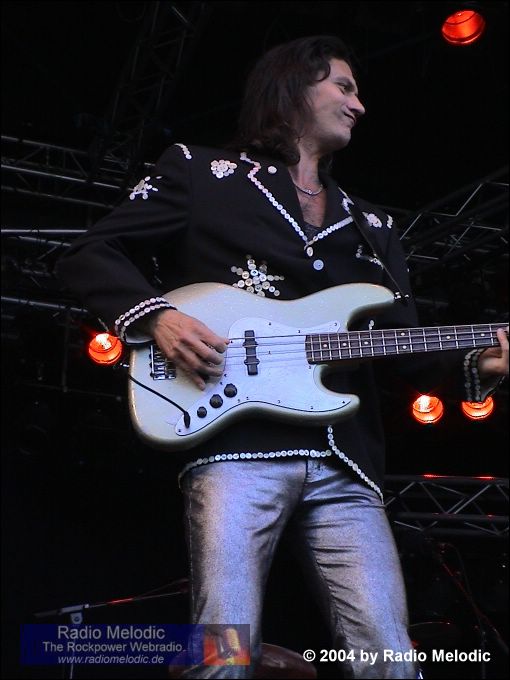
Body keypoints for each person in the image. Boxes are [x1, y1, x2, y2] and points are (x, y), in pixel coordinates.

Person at [56, 35, 508, 679]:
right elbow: (90, 254)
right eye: (344, 87)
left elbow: (402, 349)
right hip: (236, 450)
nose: (359, 105)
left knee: (389, 658)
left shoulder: (372, 227)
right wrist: (156, 317)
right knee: (224, 652)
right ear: (295, 87)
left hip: (345, 461)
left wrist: (477, 366)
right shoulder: (202, 173)